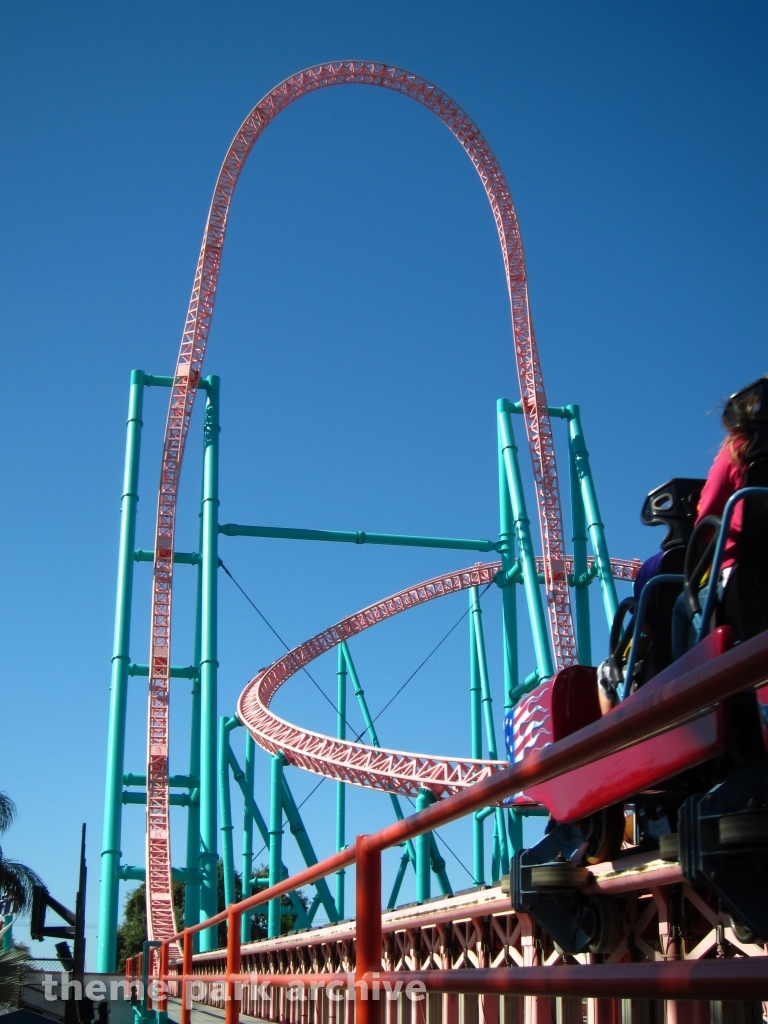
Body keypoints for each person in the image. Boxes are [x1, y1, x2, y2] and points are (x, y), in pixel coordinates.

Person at [671, 381, 762, 659]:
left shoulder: (739, 448)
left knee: (682, 607)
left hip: (746, 576)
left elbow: (708, 511)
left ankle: (687, 692)